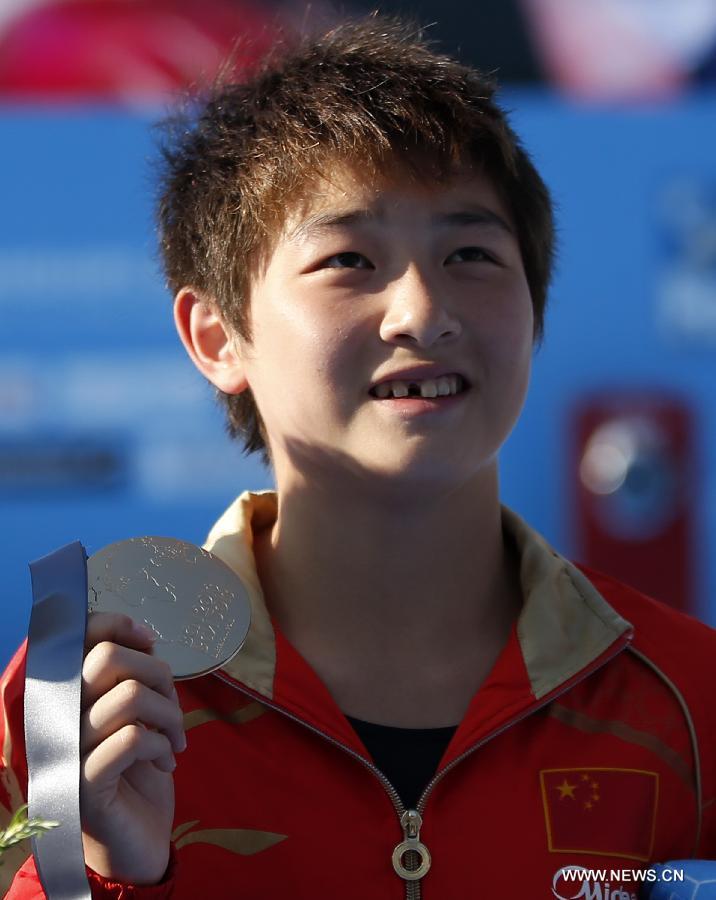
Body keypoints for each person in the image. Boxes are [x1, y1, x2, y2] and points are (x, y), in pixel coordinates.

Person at [2, 15, 715, 899]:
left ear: (535, 312)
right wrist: (102, 875)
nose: (421, 311)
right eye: (348, 259)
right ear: (218, 336)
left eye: (471, 254)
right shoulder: (72, 703)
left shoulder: (689, 702)